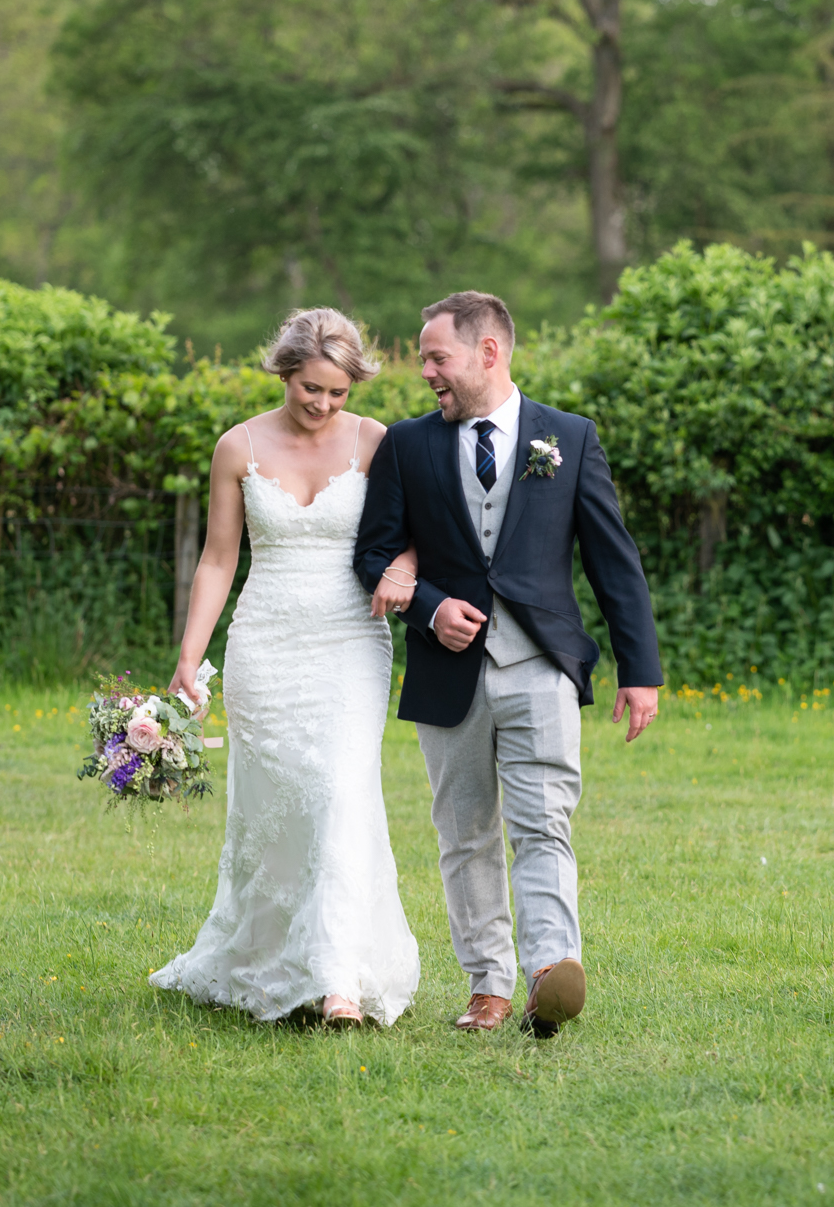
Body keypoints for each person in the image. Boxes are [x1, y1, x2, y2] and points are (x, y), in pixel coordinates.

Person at [354, 290, 663, 1038]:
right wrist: (429, 604)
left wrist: (639, 667)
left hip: (542, 663)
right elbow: (371, 551)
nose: (426, 371)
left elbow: (613, 559)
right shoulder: (408, 443)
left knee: (544, 822)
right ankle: (487, 986)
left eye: (437, 357)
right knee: (464, 832)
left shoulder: (570, 436)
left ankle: (551, 972)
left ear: (488, 351)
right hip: (446, 671)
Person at [153, 308, 421, 1028]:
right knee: (283, 804)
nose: (324, 404)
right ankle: (278, 957)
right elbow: (218, 557)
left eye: (337, 392)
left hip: (350, 639)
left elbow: (418, 534)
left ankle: (339, 979)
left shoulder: (377, 442)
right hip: (266, 642)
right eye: (311, 388)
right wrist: (190, 652)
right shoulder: (237, 446)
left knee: (340, 787)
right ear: (284, 372)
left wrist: (403, 564)